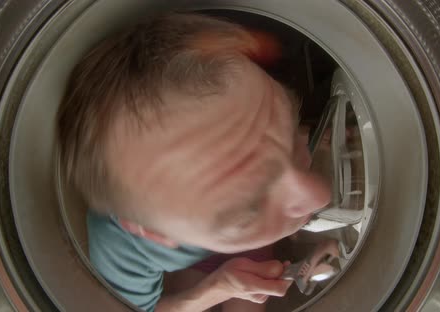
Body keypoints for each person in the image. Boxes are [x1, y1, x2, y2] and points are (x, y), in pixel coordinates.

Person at [56, 12, 332, 312]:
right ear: (155, 232)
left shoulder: (241, 103)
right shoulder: (124, 249)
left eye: (290, 132)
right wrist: (218, 287)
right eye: (248, 209)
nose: (320, 196)